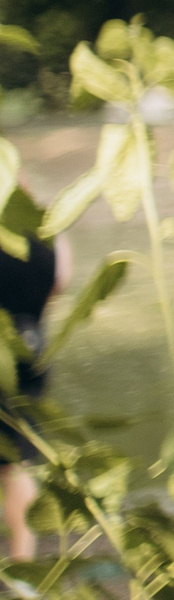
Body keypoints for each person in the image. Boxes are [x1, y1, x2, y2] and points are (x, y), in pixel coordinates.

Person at [1, 203, 68, 561]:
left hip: (4, 352)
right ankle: (23, 564)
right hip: (31, 344)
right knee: (19, 462)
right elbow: (61, 280)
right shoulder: (45, 224)